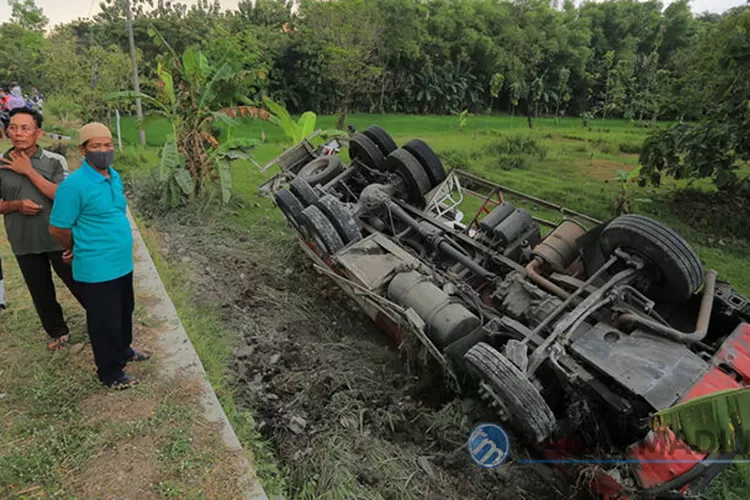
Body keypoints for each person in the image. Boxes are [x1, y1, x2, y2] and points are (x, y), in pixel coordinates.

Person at [50, 123, 149, 390]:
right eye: (96, 146)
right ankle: (110, 372)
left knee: (124, 311)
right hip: (96, 266)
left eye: (107, 145)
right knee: (104, 320)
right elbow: (57, 227)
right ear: (83, 150)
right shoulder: (74, 186)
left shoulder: (113, 176)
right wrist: (76, 244)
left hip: (121, 263)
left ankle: (124, 350)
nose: (103, 151)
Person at [0, 108, 84, 349]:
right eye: (13, 127)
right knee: (40, 291)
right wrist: (15, 205)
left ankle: (102, 319)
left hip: (59, 238)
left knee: (79, 281)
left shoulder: (54, 161)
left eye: (25, 128)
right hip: (23, 240)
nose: (18, 133)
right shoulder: (1, 163)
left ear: (39, 133)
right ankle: (58, 332)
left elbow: (63, 196)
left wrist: (27, 170)